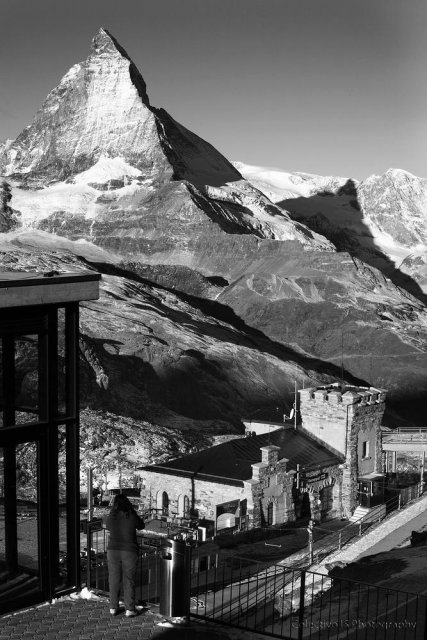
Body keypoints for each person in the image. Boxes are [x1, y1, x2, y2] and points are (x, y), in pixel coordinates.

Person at [106, 494, 145, 617]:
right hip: (129, 551)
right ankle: (129, 609)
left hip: (113, 551)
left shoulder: (112, 516)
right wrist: (132, 512)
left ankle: (113, 607)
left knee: (114, 579)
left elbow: (107, 526)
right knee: (129, 580)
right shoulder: (131, 515)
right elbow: (141, 525)